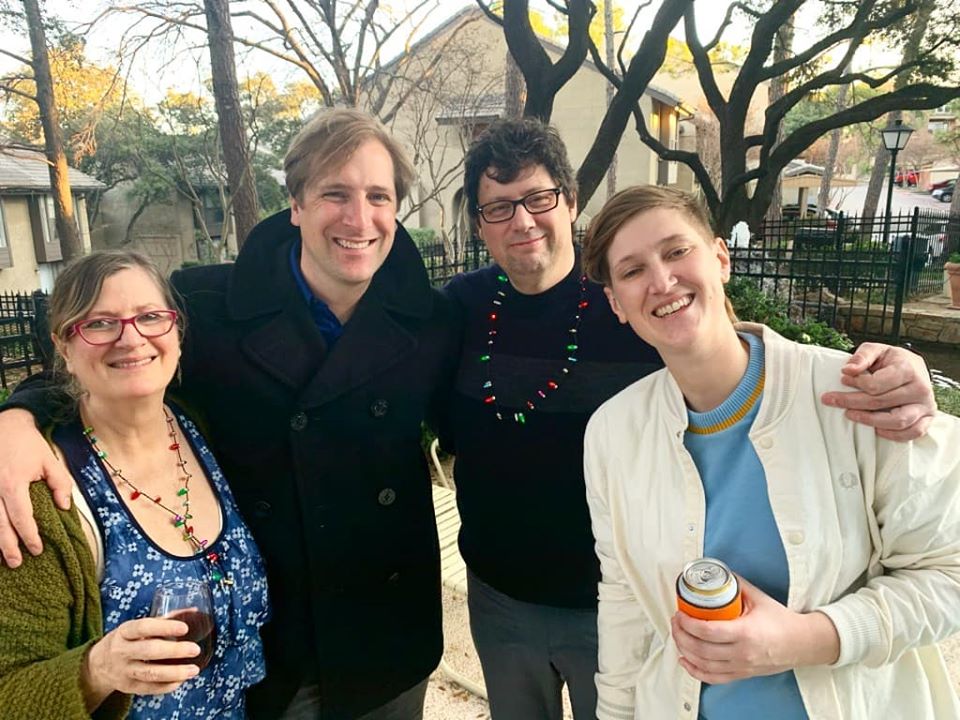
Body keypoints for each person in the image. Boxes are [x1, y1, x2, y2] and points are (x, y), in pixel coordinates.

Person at [440, 118, 939, 720]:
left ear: (569, 201)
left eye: (538, 198)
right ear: (479, 224)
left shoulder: (644, 311)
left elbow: (721, 345)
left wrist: (903, 373)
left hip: (620, 602)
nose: (521, 220)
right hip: (504, 596)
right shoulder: (460, 309)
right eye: (498, 208)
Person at [0, 108, 459, 719]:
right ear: (295, 204)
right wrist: (17, 417)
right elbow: (118, 359)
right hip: (268, 652)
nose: (359, 217)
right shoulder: (210, 307)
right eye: (335, 194)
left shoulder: (433, 321)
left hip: (387, 638)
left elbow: (477, 431)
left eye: (378, 196)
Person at [581, 185, 960, 719]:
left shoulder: (856, 396)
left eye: (676, 251)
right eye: (633, 270)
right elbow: (625, 600)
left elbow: (947, 573)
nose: (661, 281)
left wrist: (808, 639)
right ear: (617, 304)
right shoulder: (613, 432)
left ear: (720, 258)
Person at [0, 250, 269, 718]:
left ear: (177, 333)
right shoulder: (37, 494)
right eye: (100, 323)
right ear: (63, 347)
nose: (131, 338)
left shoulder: (202, 426)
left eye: (150, 317)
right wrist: (96, 670)